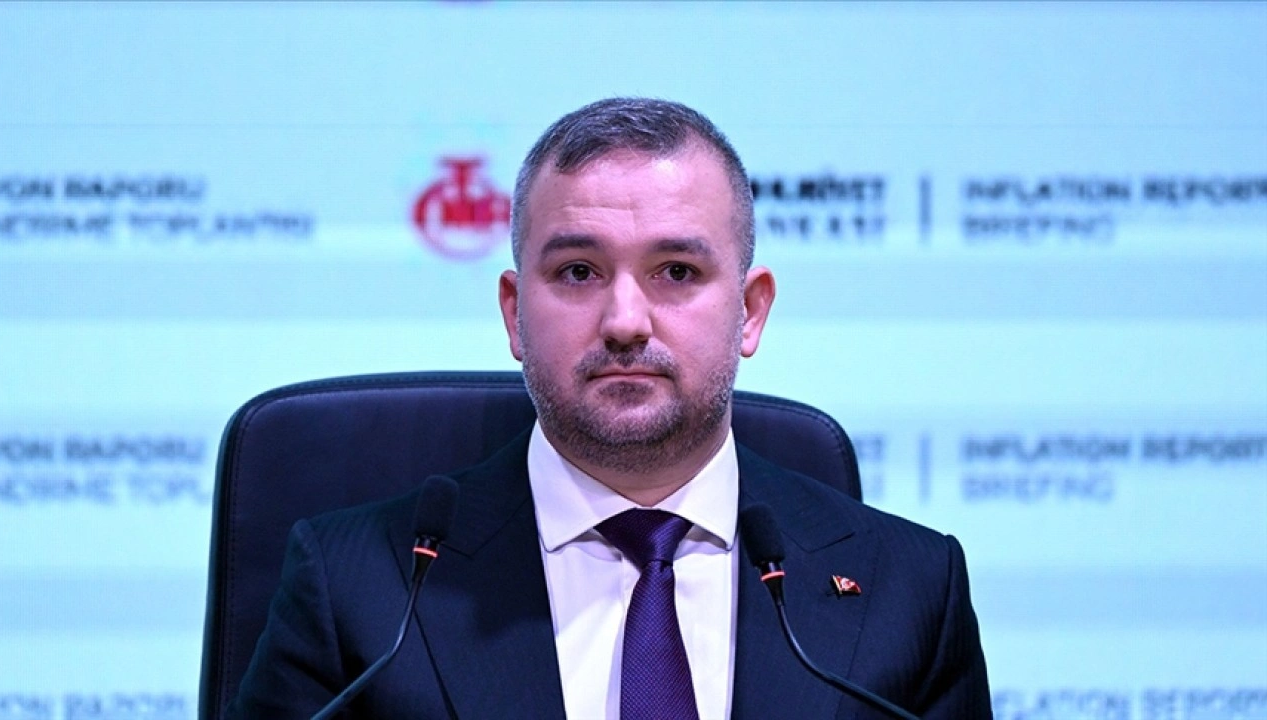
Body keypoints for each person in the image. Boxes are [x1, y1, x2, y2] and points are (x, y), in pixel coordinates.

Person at [229, 97, 991, 719]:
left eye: (676, 271)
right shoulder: (359, 590)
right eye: (579, 271)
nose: (626, 321)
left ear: (751, 312)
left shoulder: (909, 589)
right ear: (515, 313)